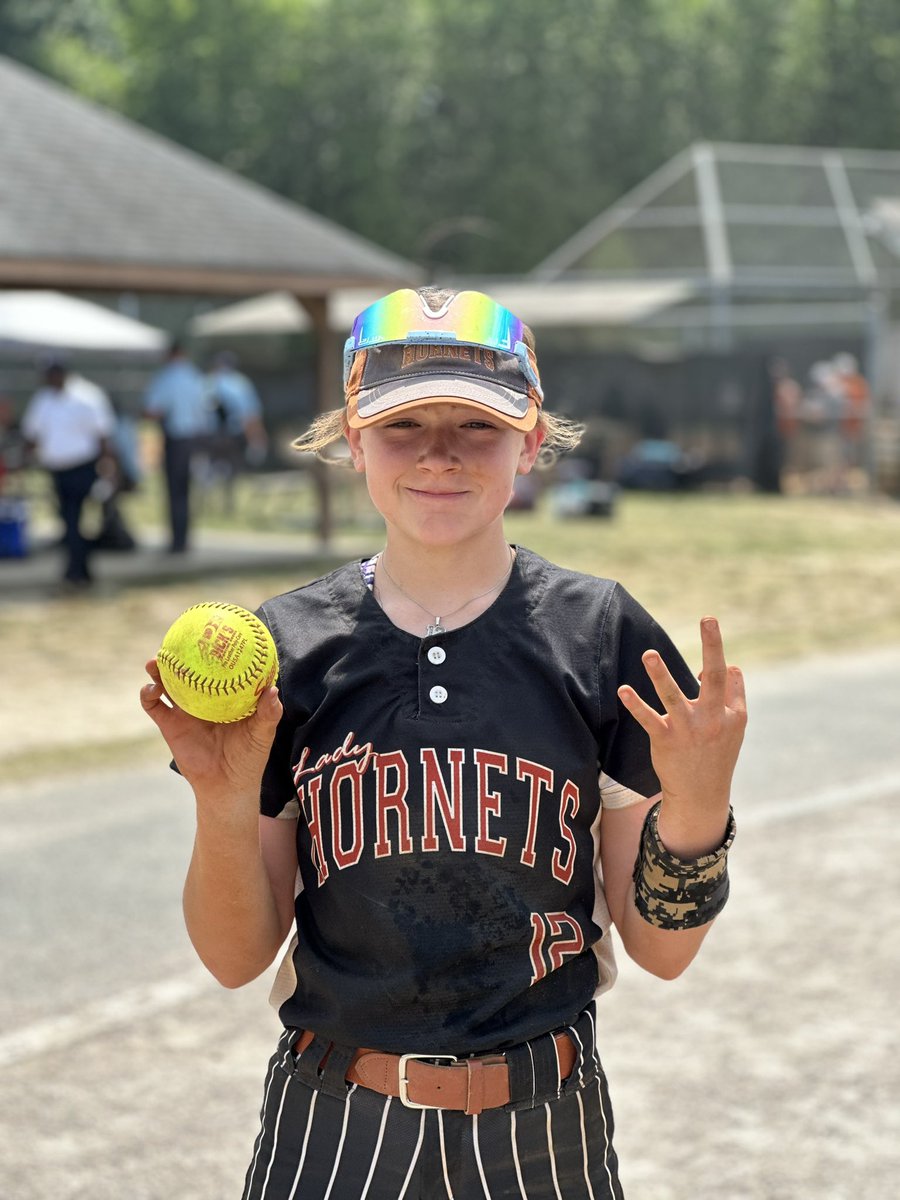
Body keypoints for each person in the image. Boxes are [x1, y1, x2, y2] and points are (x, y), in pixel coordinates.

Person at [141, 286, 747, 1199]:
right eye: (401, 425)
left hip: (544, 1117)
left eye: (476, 425)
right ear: (352, 437)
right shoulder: (288, 649)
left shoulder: (602, 636)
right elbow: (235, 959)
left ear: (531, 441)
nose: (438, 453)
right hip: (333, 1109)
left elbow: (664, 952)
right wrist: (221, 800)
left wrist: (698, 805)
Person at [21, 359, 116, 588]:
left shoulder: (87, 396)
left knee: (76, 519)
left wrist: (108, 466)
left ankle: (76, 570)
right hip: (58, 469)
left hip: (83, 466)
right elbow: (32, 434)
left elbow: (103, 434)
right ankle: (80, 569)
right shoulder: (44, 400)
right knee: (69, 520)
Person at [143, 340, 211, 553]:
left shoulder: (167, 378)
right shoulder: (196, 377)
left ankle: (177, 542)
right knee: (187, 491)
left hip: (176, 439)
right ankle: (185, 538)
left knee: (175, 492)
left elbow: (153, 410)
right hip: (196, 439)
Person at [205, 350, 268, 512]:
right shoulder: (240, 383)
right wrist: (257, 438)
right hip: (234, 435)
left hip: (210, 437)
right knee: (233, 472)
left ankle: (211, 504)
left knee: (211, 471)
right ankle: (228, 504)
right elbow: (251, 414)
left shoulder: (207, 383)